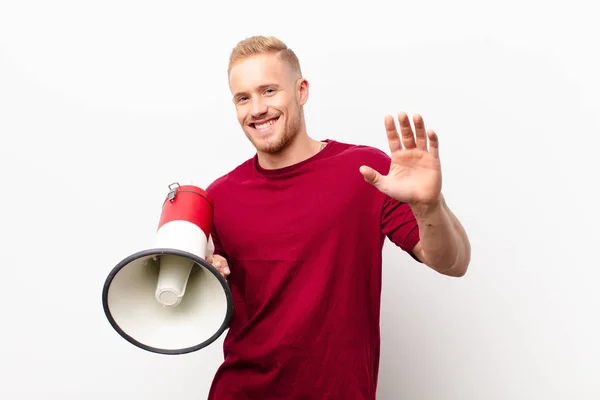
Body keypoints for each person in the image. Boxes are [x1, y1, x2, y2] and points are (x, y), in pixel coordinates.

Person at [204, 35, 471, 400]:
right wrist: (201, 272)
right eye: (243, 97)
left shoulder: (365, 171)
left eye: (269, 91)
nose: (256, 109)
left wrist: (429, 206)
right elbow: (195, 307)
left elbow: (453, 262)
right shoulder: (219, 196)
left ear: (301, 90)